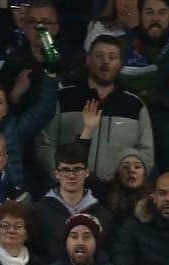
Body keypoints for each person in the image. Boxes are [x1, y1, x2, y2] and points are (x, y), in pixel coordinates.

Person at [35, 35, 154, 183]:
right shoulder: (63, 98)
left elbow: (146, 154)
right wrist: (65, 179)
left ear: (120, 64)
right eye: (99, 56)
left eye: (112, 57)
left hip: (117, 197)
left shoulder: (134, 105)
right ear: (88, 60)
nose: (106, 62)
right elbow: (45, 145)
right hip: (69, 194)